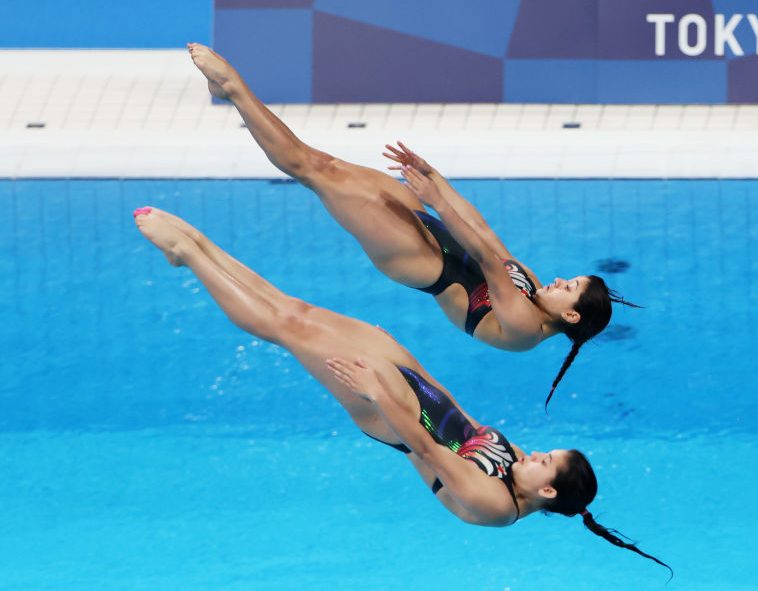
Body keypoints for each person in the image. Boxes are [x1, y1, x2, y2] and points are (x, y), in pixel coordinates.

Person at [132, 206, 669, 574]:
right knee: (298, 312)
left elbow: (430, 448)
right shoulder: (523, 475)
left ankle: (193, 254)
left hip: (392, 417)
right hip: (417, 391)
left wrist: (379, 389)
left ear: (546, 491)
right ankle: (196, 248)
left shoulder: (495, 505)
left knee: (287, 330)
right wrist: (409, 365)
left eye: (545, 460)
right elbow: (466, 422)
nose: (535, 454)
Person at [185, 43, 639, 408]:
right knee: (325, 163)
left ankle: (235, 90)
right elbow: (485, 234)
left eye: (570, 287)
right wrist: (434, 177)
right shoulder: (537, 289)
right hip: (437, 232)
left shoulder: (525, 330)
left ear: (571, 315)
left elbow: (483, 258)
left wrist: (436, 199)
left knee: (311, 171)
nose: (560, 280)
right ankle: (234, 93)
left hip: (421, 263)